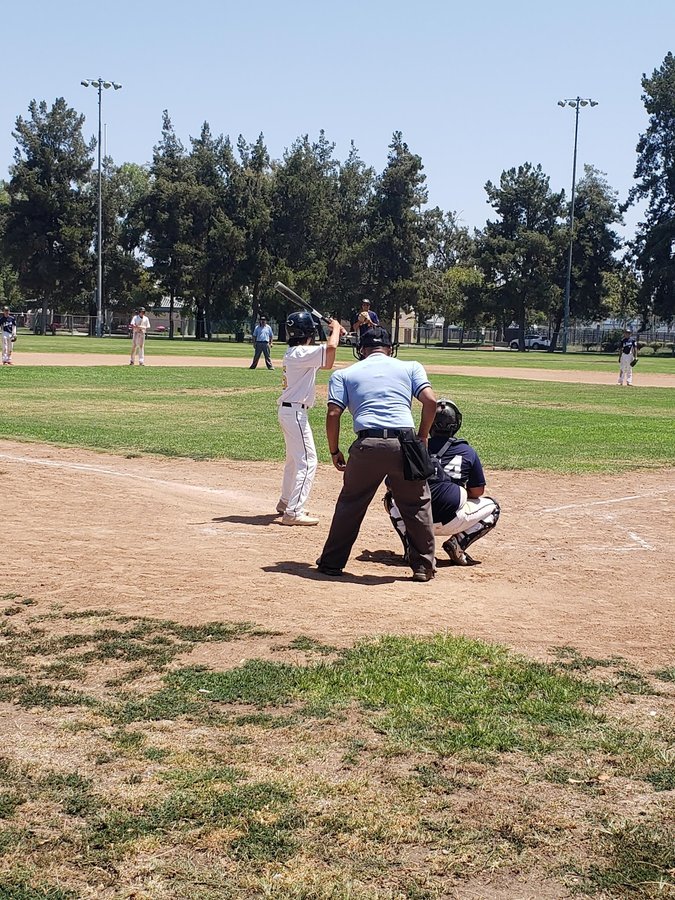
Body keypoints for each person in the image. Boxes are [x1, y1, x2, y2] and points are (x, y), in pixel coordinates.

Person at [316, 326, 437, 582]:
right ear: (390, 349)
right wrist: (423, 436)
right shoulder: (411, 367)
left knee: (351, 504)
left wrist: (334, 450)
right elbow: (430, 402)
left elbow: (333, 413)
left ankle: (331, 564)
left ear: (361, 350)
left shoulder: (344, 374)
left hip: (367, 443)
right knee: (416, 505)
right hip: (405, 442)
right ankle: (424, 566)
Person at [384, 399, 500, 566]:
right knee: (493, 508)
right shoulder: (467, 451)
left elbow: (391, 483)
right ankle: (458, 544)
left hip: (415, 519)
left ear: (429, 424)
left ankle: (412, 548)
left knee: (391, 499)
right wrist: (455, 491)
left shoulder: (415, 449)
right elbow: (477, 492)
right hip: (452, 520)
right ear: (456, 424)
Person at [277, 311, 343, 526]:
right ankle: (293, 511)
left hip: (290, 411)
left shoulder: (295, 352)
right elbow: (330, 352)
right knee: (308, 461)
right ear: (308, 333)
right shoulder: (301, 353)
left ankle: (286, 501)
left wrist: (335, 332)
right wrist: (334, 329)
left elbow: (327, 358)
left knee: (294, 460)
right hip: (295, 412)